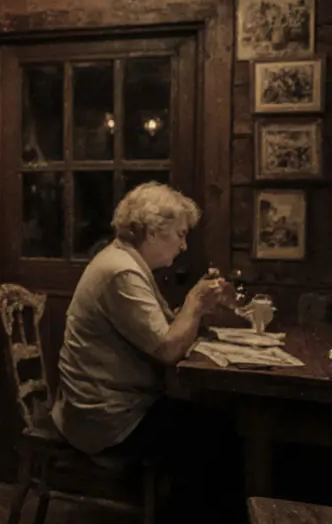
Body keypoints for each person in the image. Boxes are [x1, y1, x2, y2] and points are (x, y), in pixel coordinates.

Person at [52, 182, 244, 523]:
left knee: (213, 427)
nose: (184, 246)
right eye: (180, 235)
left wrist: (198, 310)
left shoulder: (127, 262)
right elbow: (169, 349)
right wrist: (195, 303)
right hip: (104, 416)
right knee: (217, 436)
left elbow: (166, 327)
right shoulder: (121, 270)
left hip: (113, 403)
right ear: (153, 232)